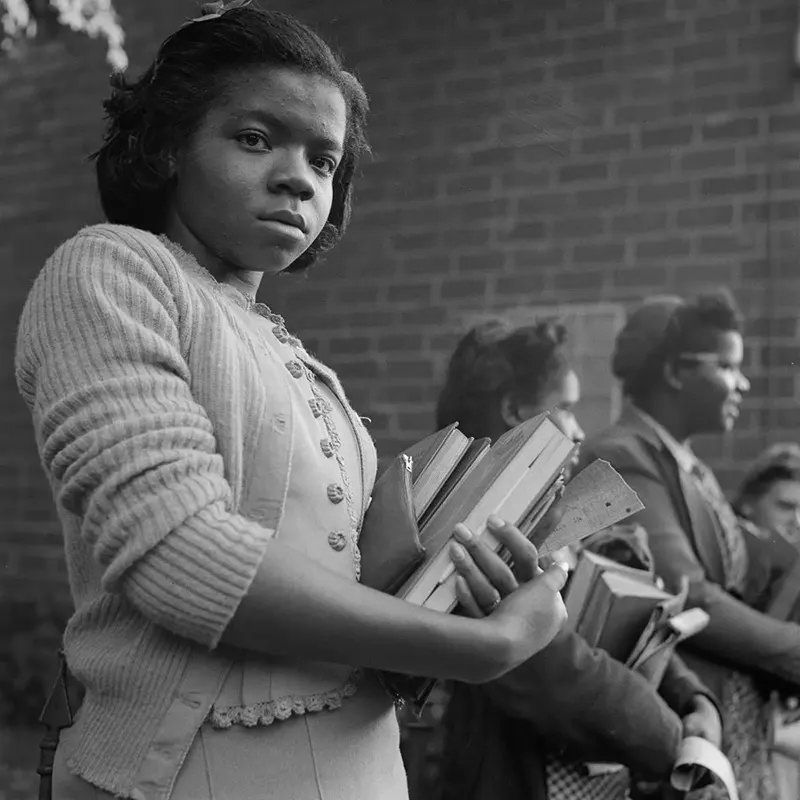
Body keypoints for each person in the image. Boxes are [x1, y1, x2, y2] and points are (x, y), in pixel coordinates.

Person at [13, 4, 569, 798]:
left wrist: (441, 579)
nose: (297, 177)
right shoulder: (111, 271)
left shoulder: (291, 350)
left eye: (323, 158)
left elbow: (335, 586)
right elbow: (178, 556)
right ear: (167, 145)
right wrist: (473, 649)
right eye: (254, 138)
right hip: (189, 772)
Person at [430, 318, 720, 800]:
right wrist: (676, 737)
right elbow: (562, 674)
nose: (581, 427)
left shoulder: (550, 515)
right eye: (565, 406)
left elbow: (628, 622)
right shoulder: (477, 536)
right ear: (514, 409)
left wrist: (694, 697)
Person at [581, 290, 800, 800]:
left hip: (731, 722)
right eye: (727, 365)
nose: (741, 382)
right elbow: (688, 592)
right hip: (684, 719)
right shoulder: (623, 456)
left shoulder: (684, 463)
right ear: (676, 372)